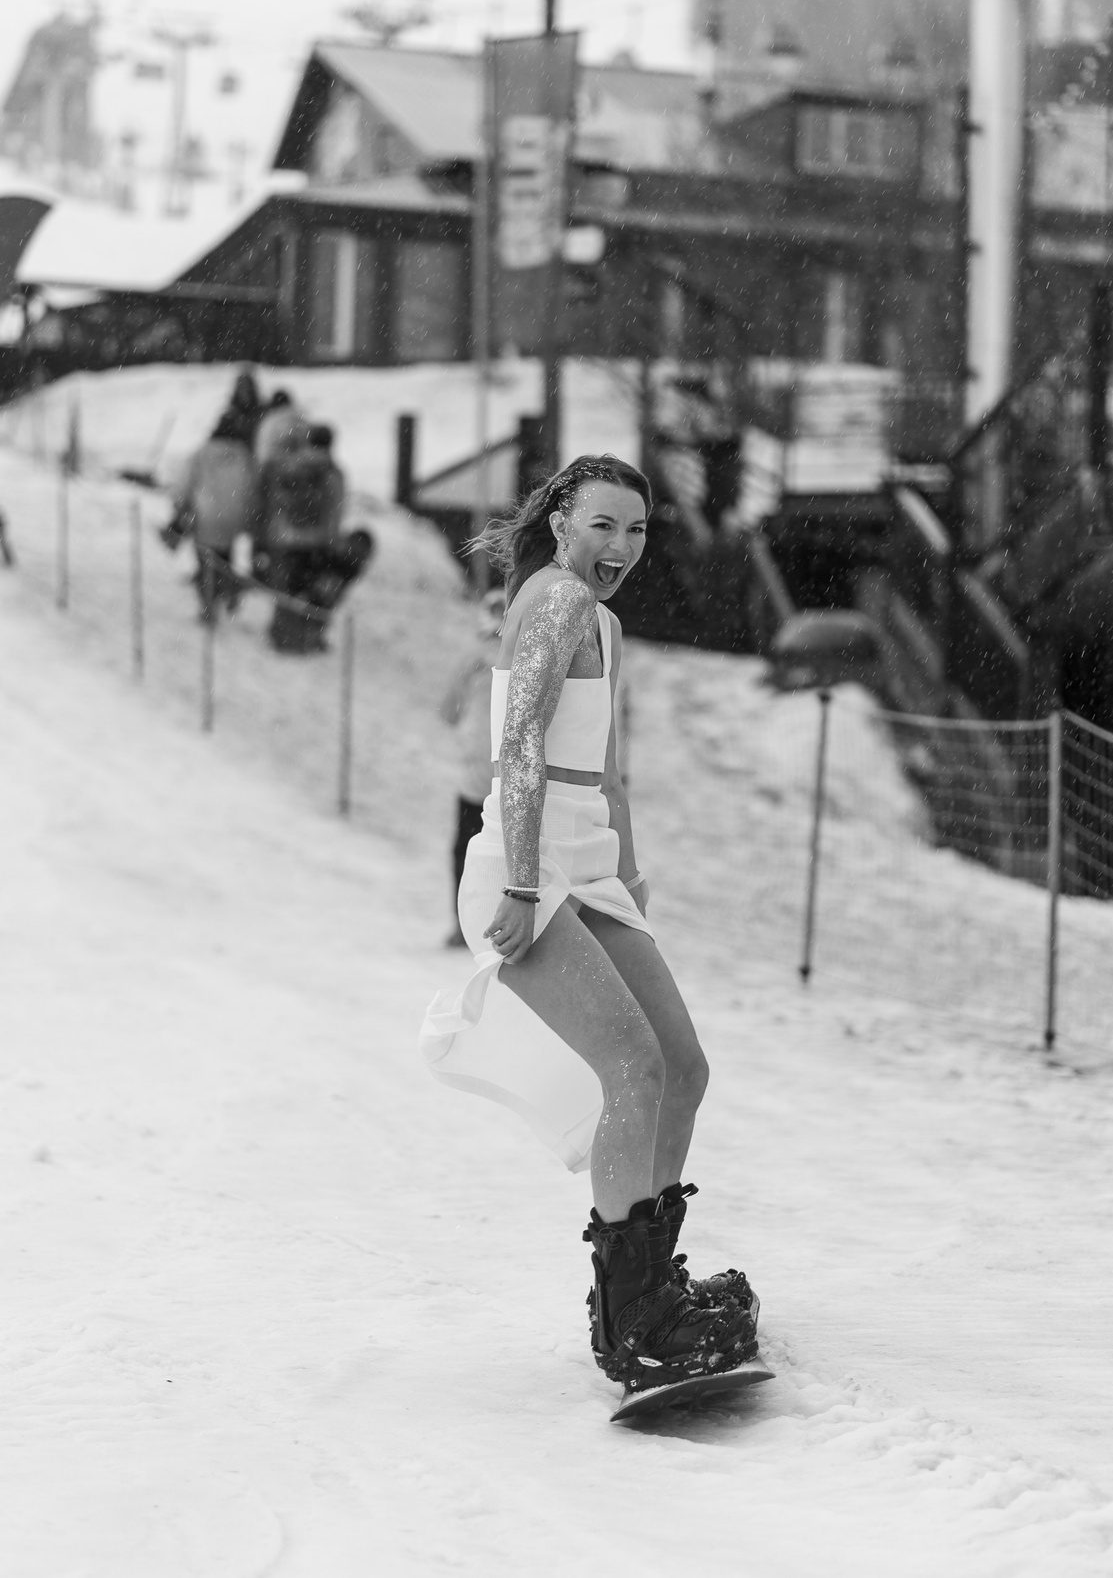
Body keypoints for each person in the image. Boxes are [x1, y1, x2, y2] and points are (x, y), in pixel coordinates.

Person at [418, 455, 763, 1409]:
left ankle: (652, 1275)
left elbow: (607, 776)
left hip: (590, 870)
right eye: (603, 523)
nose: (620, 546)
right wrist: (526, 884)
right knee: (633, 1069)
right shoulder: (557, 598)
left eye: (638, 530)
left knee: (683, 1068)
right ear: (562, 521)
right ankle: (632, 1323)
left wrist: (630, 878)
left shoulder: (605, 622)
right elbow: (520, 742)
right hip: (525, 868)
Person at [255, 423, 371, 653]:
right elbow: (334, 511)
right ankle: (306, 638)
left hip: (284, 537)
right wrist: (331, 541)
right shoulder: (331, 472)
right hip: (315, 541)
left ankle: (280, 634)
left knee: (285, 590)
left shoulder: (290, 465)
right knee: (310, 592)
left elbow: (275, 501)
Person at [438, 588, 507, 946]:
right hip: (512, 775)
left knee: (466, 848)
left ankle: (462, 924)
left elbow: (447, 711)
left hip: (474, 774)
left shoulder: (471, 658)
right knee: (508, 853)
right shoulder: (526, 657)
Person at [170, 379, 263, 624]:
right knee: (224, 557)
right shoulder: (244, 455)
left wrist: (179, 507)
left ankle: (209, 606)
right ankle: (228, 590)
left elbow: (185, 484)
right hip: (234, 518)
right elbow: (253, 487)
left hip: (206, 516)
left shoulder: (202, 453)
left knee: (206, 562)